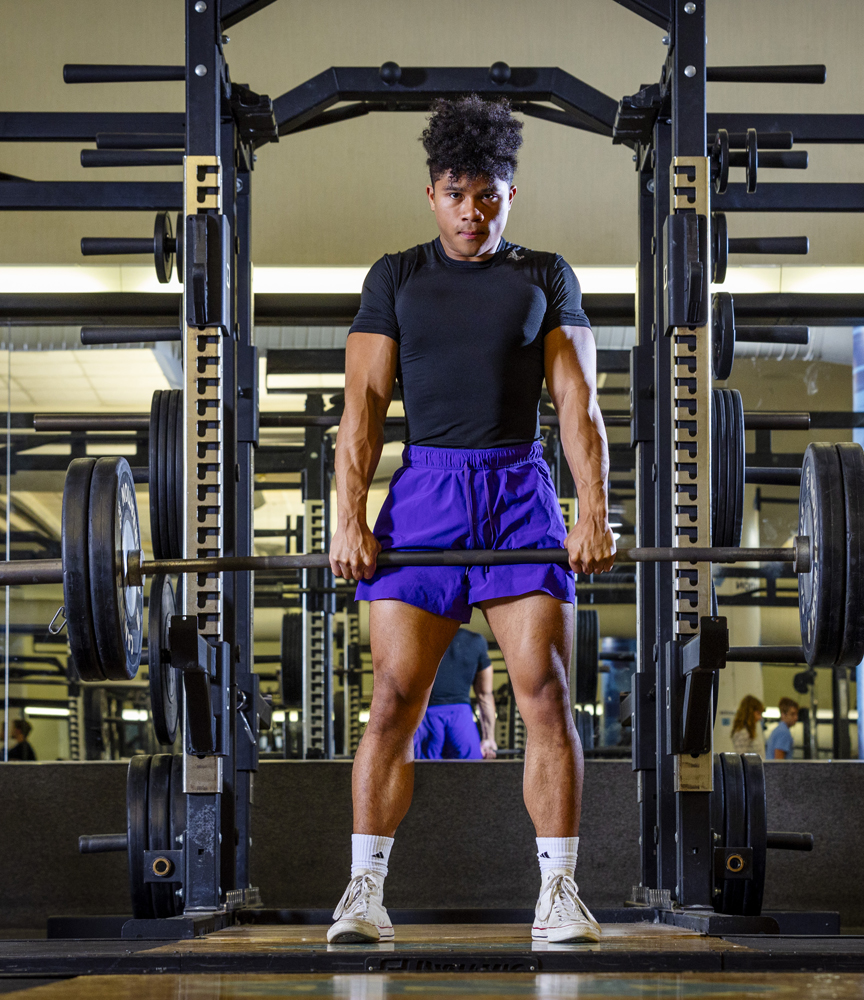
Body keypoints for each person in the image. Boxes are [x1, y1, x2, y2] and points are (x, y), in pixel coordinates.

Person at [328, 95, 612, 946]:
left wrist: (592, 508)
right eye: (455, 192)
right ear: (432, 195)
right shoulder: (396, 277)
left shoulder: (546, 275)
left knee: (547, 697)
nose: (471, 209)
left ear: (510, 195)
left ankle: (558, 892)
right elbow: (363, 410)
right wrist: (349, 519)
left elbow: (577, 404)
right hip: (426, 493)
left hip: (519, 491)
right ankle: (364, 894)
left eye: (487, 193)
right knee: (392, 701)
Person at [413, 628, 498, 760]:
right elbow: (484, 694)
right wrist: (488, 739)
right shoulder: (476, 641)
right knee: (469, 774)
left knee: (423, 775)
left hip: (426, 716)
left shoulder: (415, 637)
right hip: (460, 718)